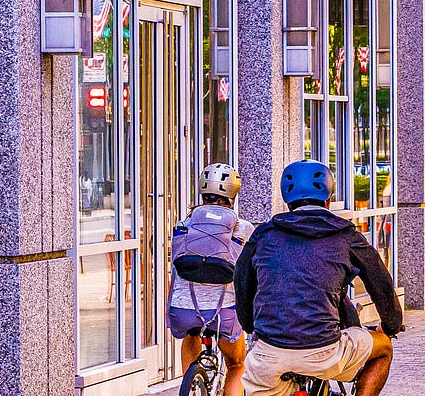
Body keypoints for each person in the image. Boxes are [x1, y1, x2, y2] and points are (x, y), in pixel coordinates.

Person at [234, 159, 404, 396]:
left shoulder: (264, 234)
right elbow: (381, 284)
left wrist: (250, 325)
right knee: (383, 348)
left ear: (287, 201)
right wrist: (390, 325)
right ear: (328, 199)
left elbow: (242, 283)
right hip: (324, 352)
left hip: (268, 355)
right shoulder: (346, 235)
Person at [168, 163, 251, 396]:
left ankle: (191, 387)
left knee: (191, 333)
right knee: (236, 364)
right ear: (233, 194)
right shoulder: (242, 227)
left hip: (183, 309)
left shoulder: (184, 224)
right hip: (223, 311)